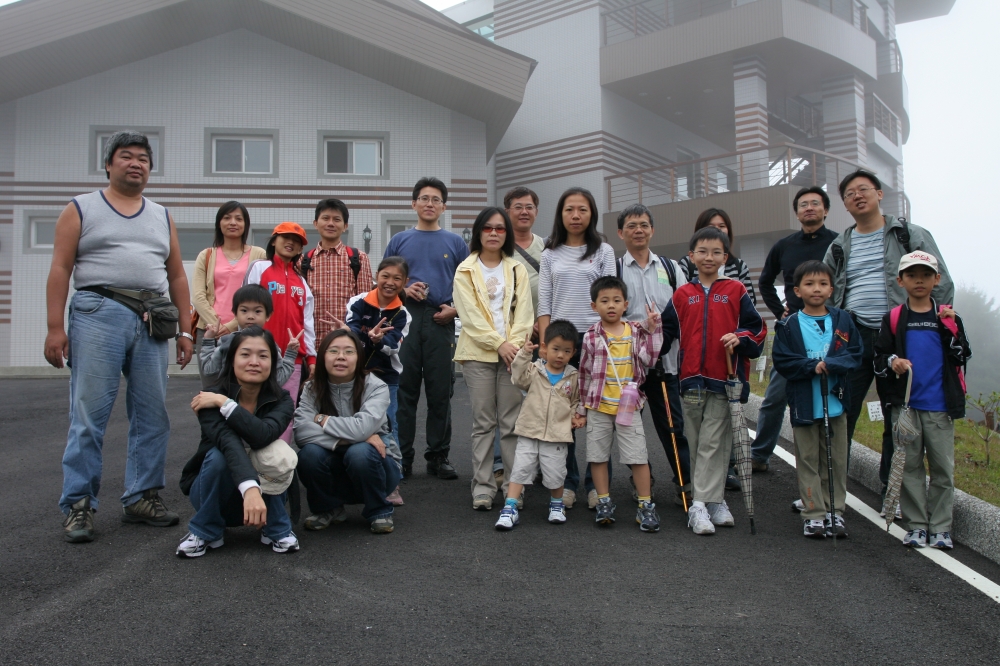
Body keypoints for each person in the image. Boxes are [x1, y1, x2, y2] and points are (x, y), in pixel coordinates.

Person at [45, 130, 193, 544]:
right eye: (126, 156)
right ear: (108, 164)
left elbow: (177, 275)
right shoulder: (80, 208)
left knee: (153, 414)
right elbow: (60, 268)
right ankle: (78, 503)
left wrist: (185, 330)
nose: (135, 163)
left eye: (143, 159)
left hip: (152, 318)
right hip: (98, 311)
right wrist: (55, 327)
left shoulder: (161, 215)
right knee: (89, 415)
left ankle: (142, 497)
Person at [823, 170, 954, 510]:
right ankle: (831, 492)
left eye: (863, 189)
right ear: (844, 204)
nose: (857, 196)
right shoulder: (839, 245)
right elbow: (826, 288)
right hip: (852, 335)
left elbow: (942, 283)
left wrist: (932, 324)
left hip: (899, 337)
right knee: (841, 412)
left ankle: (891, 491)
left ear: (879, 194)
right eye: (849, 193)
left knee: (897, 414)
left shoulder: (909, 234)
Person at [661, 227, 766, 535]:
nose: (709, 257)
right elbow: (665, 334)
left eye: (716, 252)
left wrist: (740, 337)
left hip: (725, 380)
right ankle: (716, 500)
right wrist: (650, 334)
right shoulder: (682, 295)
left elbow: (757, 330)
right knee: (697, 443)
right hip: (690, 380)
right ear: (691, 256)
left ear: (725, 257)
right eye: (703, 251)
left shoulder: (736, 290)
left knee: (712, 441)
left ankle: (697, 505)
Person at [874, 252, 971, 550]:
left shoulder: (947, 317)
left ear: (937, 279)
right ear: (900, 280)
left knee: (942, 469)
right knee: (910, 466)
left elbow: (962, 355)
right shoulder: (893, 318)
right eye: (912, 275)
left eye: (926, 275)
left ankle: (941, 528)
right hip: (906, 407)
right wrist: (893, 361)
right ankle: (916, 525)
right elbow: (879, 356)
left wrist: (952, 328)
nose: (920, 280)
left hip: (940, 406)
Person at [177, 326, 298, 556]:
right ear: (231, 360)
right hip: (214, 496)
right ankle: (206, 530)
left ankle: (276, 528)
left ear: (273, 363)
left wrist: (225, 404)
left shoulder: (282, 400)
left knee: (277, 451)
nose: (254, 362)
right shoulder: (208, 397)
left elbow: (262, 435)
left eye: (263, 356)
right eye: (245, 354)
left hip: (263, 500)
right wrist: (250, 488)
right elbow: (228, 442)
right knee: (218, 455)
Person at [384, 177, 469, 479]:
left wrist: (455, 311)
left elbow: (469, 286)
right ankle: (402, 457)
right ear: (413, 204)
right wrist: (403, 290)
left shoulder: (456, 243)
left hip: (440, 318)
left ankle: (438, 456)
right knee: (404, 390)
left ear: (444, 206)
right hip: (404, 319)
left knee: (440, 390)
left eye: (435, 199)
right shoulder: (399, 240)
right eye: (424, 198)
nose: (429, 204)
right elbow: (384, 281)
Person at [536, 187, 615, 508]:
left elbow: (610, 299)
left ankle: (597, 486)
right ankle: (566, 482)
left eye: (583, 209)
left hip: (597, 342)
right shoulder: (549, 254)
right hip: (561, 344)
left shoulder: (604, 251)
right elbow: (545, 303)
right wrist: (546, 344)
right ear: (561, 214)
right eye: (570, 209)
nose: (576, 215)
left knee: (598, 417)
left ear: (591, 214)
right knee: (562, 417)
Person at [772, 261, 862, 538]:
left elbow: (855, 353)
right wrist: (812, 366)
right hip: (804, 404)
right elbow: (783, 361)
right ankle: (813, 513)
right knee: (808, 459)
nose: (817, 289)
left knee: (836, 459)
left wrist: (832, 364)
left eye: (823, 284)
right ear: (797, 290)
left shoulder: (843, 320)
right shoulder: (788, 325)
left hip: (836, 403)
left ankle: (835, 511)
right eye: (809, 284)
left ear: (831, 289)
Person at [752, 187, 838, 472]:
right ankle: (760, 454)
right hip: (793, 330)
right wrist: (780, 312)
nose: (809, 208)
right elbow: (765, 282)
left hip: (829, 329)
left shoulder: (838, 243)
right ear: (797, 212)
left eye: (815, 203)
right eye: (803, 204)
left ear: (826, 210)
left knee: (827, 395)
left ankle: (826, 462)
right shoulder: (784, 245)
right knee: (775, 396)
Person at [453, 207, 533, 510]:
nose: (494, 233)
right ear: (478, 232)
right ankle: (483, 487)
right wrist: (499, 344)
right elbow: (470, 317)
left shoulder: (516, 268)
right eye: (488, 228)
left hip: (513, 355)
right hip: (478, 355)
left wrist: (514, 348)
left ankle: (514, 487)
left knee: (511, 423)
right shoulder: (464, 270)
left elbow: (525, 313)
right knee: (484, 423)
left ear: (507, 234)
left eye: (500, 228)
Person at [615, 203, 691, 509]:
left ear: (652, 230)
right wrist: (642, 333)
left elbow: (683, 310)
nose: (638, 230)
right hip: (628, 367)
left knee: (673, 428)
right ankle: (641, 482)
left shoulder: (671, 268)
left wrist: (661, 342)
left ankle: (686, 485)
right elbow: (610, 314)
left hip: (665, 364)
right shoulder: (615, 269)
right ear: (620, 233)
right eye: (631, 226)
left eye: (644, 225)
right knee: (630, 429)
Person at [577, 276, 663, 531]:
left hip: (629, 407)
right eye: (604, 301)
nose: (611, 305)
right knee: (598, 457)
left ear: (626, 304)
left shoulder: (636, 332)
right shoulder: (590, 336)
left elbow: (650, 359)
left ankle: (646, 505)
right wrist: (581, 409)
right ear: (594, 306)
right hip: (598, 406)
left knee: (638, 457)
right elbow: (584, 374)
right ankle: (604, 502)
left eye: (616, 300)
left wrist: (654, 329)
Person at [295, 330, 401, 534]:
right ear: (322, 356)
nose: (341, 357)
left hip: (380, 469)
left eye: (349, 352)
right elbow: (301, 432)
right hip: (337, 465)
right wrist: (355, 438)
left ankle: (379, 511)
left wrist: (321, 419)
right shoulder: (311, 388)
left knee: (360, 452)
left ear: (359, 357)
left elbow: (361, 428)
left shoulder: (376, 387)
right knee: (309, 454)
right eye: (333, 351)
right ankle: (328, 509)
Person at [495, 320, 581, 530]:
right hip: (529, 431)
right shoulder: (535, 370)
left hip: (557, 435)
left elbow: (576, 401)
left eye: (566, 351)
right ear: (544, 347)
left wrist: (576, 416)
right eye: (555, 349)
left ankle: (556, 505)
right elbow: (518, 378)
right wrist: (524, 354)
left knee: (556, 473)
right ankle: (510, 507)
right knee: (520, 470)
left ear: (573, 353)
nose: (560, 355)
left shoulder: (573, 376)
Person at [346, 256, 412, 505]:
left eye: (397, 278)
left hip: (386, 378)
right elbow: (351, 330)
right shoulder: (358, 301)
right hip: (355, 375)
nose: (390, 282)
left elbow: (393, 346)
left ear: (405, 282)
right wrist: (356, 335)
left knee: (388, 427)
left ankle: (392, 483)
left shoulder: (403, 313)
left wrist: (378, 340)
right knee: (354, 423)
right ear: (376, 276)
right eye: (385, 276)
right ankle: (355, 479)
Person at [492, 186, 546, 486]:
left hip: (543, 337)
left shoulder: (547, 248)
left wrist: (543, 323)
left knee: (541, 402)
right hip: (510, 340)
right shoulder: (498, 247)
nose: (524, 212)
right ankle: (502, 464)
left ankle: (540, 463)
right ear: (507, 211)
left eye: (529, 207)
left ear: (536, 211)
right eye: (517, 206)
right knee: (508, 404)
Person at [245, 222, 317, 443]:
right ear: (274, 240)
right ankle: (250, 455)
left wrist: (311, 358)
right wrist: (246, 344)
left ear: (300, 249)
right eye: (285, 237)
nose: (290, 243)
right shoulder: (259, 268)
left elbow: (307, 323)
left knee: (286, 412)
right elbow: (246, 308)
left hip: (292, 359)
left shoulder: (301, 282)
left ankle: (280, 458)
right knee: (254, 406)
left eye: (296, 241)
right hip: (260, 353)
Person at [191, 201, 266, 380]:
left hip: (245, 330)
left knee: (244, 384)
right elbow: (198, 296)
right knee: (211, 384)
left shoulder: (259, 255)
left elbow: (263, 295)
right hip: (209, 331)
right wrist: (217, 326)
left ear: (245, 224)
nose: (233, 222)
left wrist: (231, 326)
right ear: (219, 223)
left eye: (238, 219)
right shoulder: (206, 255)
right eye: (227, 218)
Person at [199, 284, 299, 389]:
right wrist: (208, 340)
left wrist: (290, 354)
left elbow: (278, 380)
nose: (250, 316)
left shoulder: (270, 344)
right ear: (235, 314)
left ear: (268, 315)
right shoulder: (227, 341)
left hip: (261, 398)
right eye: (244, 310)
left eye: (257, 311)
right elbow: (208, 369)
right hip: (229, 397)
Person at [301, 198, 374, 343]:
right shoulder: (303, 260)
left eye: (337, 219)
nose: (330, 223)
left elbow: (366, 303)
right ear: (315, 223)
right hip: (312, 341)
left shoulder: (358, 258)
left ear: (345, 226)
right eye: (325, 218)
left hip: (347, 341)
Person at [677, 208, 756, 304]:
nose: (717, 229)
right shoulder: (687, 263)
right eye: (711, 226)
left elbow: (749, 302)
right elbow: (679, 299)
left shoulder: (739, 266)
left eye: (722, 226)